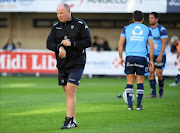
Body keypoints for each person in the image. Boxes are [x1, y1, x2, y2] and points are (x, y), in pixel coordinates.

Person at [46, 3, 92, 129]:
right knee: (68, 93)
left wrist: (72, 43)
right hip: (62, 64)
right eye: (57, 13)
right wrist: (59, 47)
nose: (59, 15)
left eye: (61, 13)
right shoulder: (56, 27)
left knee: (70, 90)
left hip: (77, 63)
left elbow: (88, 42)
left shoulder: (80, 24)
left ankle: (68, 120)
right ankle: (74, 120)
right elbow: (49, 43)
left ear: (68, 11)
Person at [118, 10, 154, 110]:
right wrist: (151, 60)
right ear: (143, 19)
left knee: (130, 82)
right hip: (142, 57)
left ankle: (129, 105)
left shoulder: (126, 28)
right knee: (140, 82)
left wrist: (120, 57)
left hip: (129, 56)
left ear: (133, 19)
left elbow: (120, 43)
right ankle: (138, 105)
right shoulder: (147, 29)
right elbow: (151, 46)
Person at [147, 12, 168, 98]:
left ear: (157, 19)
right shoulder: (147, 30)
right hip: (150, 55)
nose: (150, 20)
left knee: (159, 74)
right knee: (151, 73)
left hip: (160, 55)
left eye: (152, 18)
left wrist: (160, 55)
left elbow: (164, 43)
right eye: (149, 18)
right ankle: (153, 93)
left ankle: (161, 92)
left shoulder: (162, 29)